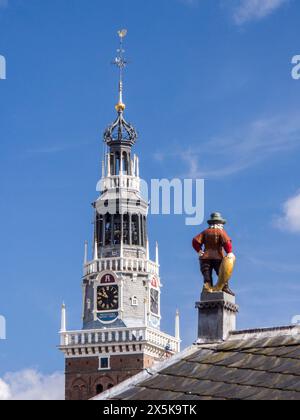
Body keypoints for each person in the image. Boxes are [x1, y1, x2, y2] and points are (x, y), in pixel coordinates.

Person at [192, 212, 235, 296]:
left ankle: (207, 287)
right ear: (219, 223)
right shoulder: (221, 232)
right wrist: (229, 253)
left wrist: (199, 250)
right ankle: (224, 287)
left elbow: (195, 241)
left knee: (206, 273)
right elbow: (227, 244)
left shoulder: (205, 232)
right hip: (218, 257)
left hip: (205, 257)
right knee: (221, 273)